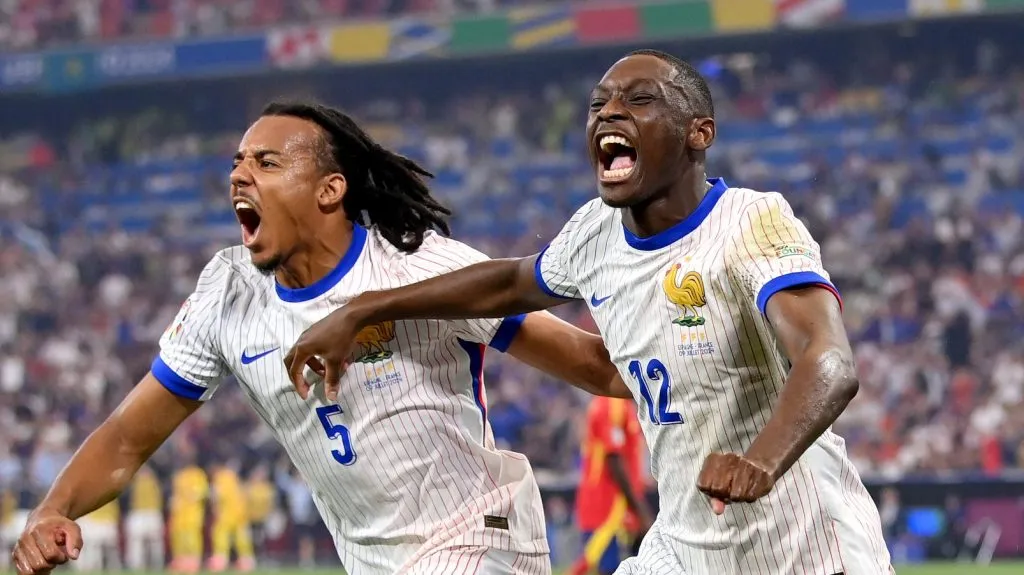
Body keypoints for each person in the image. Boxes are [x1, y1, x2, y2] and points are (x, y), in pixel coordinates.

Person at [283, 50, 894, 575]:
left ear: (698, 133)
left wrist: (760, 459)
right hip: (686, 546)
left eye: (639, 99)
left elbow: (828, 359)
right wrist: (366, 309)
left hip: (807, 548)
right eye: (599, 104)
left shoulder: (751, 222)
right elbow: (507, 283)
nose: (609, 113)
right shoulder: (597, 233)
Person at [10, 101, 627, 575]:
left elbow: (594, 366)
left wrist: (683, 367)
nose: (240, 176)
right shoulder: (226, 295)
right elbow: (127, 436)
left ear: (330, 190)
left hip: (480, 537)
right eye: (237, 163)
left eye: (267, 163)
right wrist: (53, 508)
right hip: (370, 559)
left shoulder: (418, 266)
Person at [569, 396, 652, 575]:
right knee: (603, 567)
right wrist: (641, 510)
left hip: (619, 506)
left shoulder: (622, 403)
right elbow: (614, 459)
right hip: (608, 509)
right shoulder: (611, 404)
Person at [207, 459, 255, 572]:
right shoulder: (233, 475)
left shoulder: (220, 477)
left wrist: (214, 507)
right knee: (242, 538)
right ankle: (247, 561)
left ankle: (220, 560)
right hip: (240, 512)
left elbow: (216, 495)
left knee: (221, 535)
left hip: (226, 513)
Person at [168, 454, 208, 574]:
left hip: (193, 514)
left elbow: (202, 492)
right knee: (178, 537)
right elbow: (176, 494)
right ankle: (180, 562)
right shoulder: (179, 475)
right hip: (180, 514)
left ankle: (193, 562)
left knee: (192, 537)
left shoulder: (198, 474)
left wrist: (191, 496)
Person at [125, 465, 165, 571]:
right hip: (140, 513)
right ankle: (138, 567)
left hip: (151, 513)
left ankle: (156, 566)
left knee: (154, 543)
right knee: (138, 543)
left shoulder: (153, 480)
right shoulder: (135, 479)